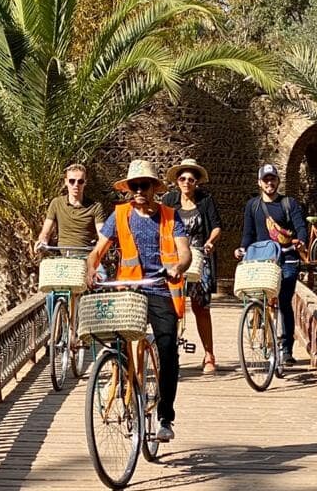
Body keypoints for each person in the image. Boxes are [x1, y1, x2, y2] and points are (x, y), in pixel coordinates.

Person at [86, 159, 191, 442]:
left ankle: (165, 416)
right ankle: (127, 391)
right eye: (134, 186)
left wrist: (178, 268)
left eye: (144, 185)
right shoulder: (119, 216)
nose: (139, 190)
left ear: (155, 188)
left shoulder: (170, 216)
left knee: (168, 350)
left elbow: (185, 254)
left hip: (160, 289)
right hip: (129, 291)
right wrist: (92, 270)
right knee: (117, 343)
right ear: (129, 189)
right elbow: (97, 251)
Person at [236, 163, 308, 365]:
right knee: (261, 299)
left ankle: (286, 349)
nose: (270, 183)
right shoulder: (253, 205)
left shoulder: (289, 203)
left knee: (284, 301)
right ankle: (265, 332)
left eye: (273, 179)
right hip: (263, 260)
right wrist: (242, 248)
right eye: (266, 179)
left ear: (278, 181)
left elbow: (300, 227)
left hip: (287, 258)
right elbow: (248, 233)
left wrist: (301, 240)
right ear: (260, 183)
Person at [161, 158, 222, 373]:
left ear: (197, 182)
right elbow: (160, 225)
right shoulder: (169, 200)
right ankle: (169, 354)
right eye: (182, 178)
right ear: (177, 181)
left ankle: (209, 355)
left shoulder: (205, 200)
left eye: (191, 179)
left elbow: (216, 227)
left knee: (200, 307)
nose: (186, 182)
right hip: (174, 258)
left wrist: (210, 242)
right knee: (170, 306)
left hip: (199, 257)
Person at [37, 163, 107, 249]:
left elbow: (102, 235)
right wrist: (42, 241)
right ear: (66, 182)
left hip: (85, 256)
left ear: (85, 182)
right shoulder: (56, 203)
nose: (76, 185)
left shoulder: (95, 207)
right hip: (62, 256)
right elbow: (46, 232)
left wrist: (99, 250)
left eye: (80, 181)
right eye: (72, 181)